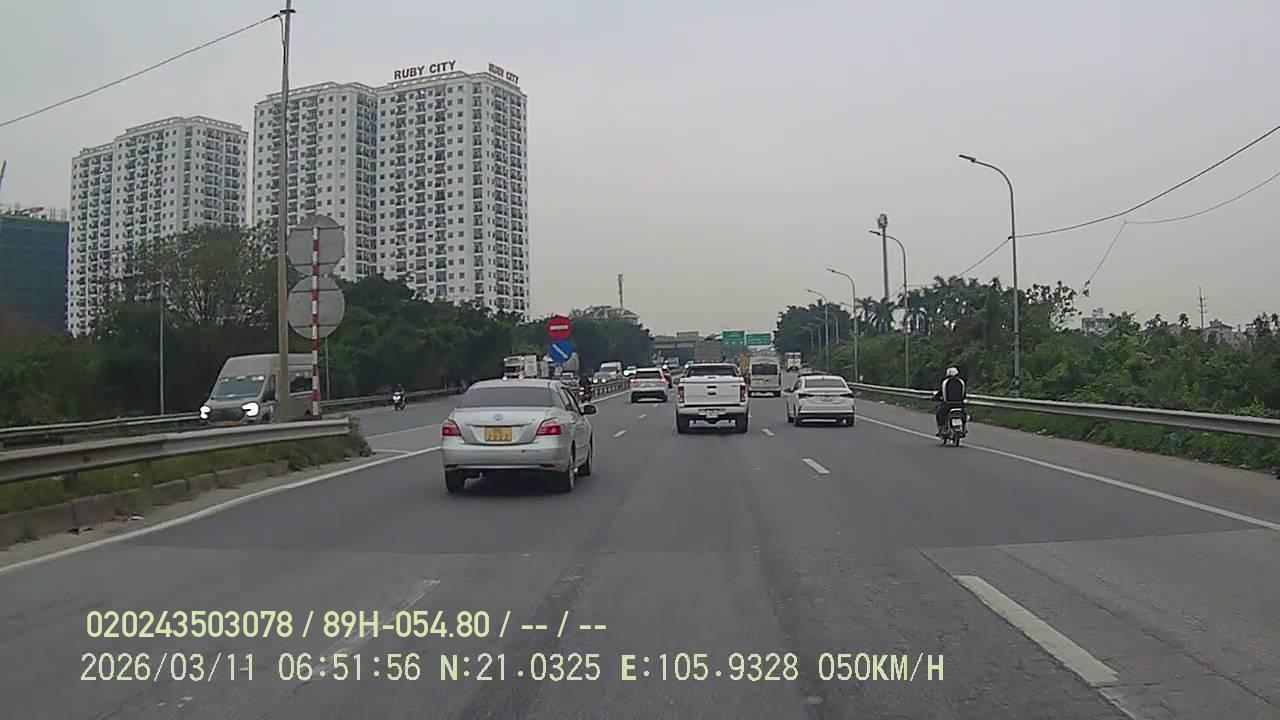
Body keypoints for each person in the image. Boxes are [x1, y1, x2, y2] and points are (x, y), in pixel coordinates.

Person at [933, 367, 966, 434]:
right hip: (960, 404)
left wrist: (935, 398)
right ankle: (964, 428)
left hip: (948, 405)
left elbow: (941, 392)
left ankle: (942, 428)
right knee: (964, 415)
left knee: (940, 414)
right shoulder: (961, 382)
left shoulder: (945, 382)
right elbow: (963, 394)